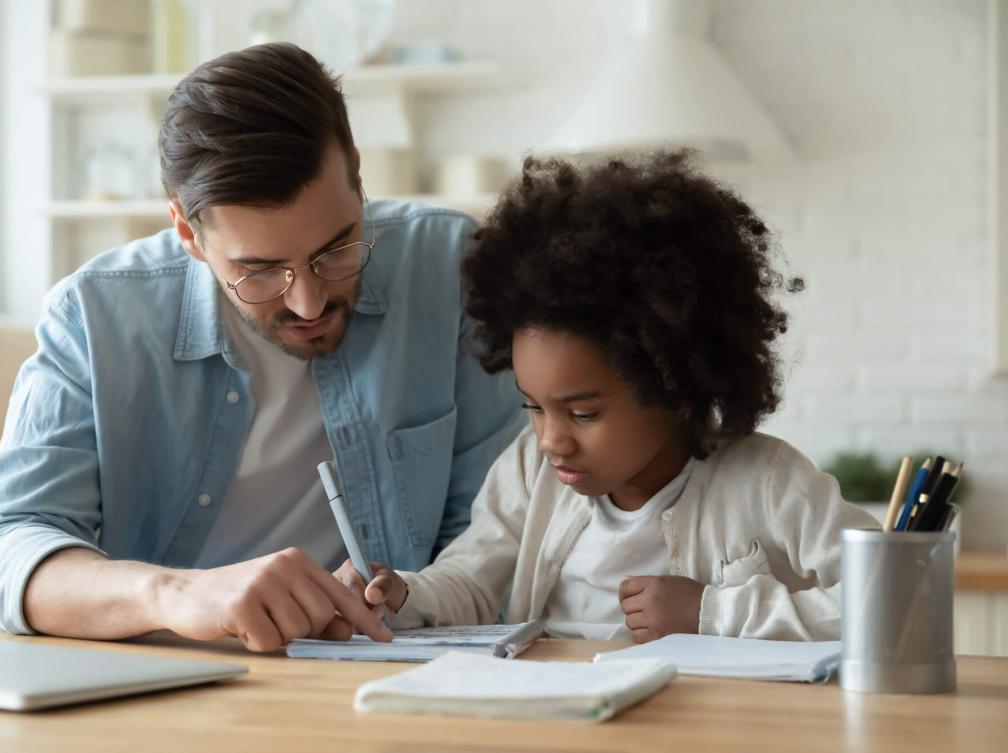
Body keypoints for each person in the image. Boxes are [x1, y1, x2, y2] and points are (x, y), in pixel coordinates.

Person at [0, 43, 523, 652]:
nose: (308, 301)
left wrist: (413, 596)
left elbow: (503, 534)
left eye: (336, 249)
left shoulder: (449, 270)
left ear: (357, 177)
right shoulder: (95, 317)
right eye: (260, 270)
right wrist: (179, 594)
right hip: (171, 687)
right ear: (188, 233)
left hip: (390, 673)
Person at [336, 152, 877, 642]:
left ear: (676, 386)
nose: (551, 440)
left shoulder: (768, 483)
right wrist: (406, 593)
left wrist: (715, 614)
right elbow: (470, 581)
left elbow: (883, 596)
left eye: (583, 413)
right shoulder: (530, 473)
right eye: (533, 407)